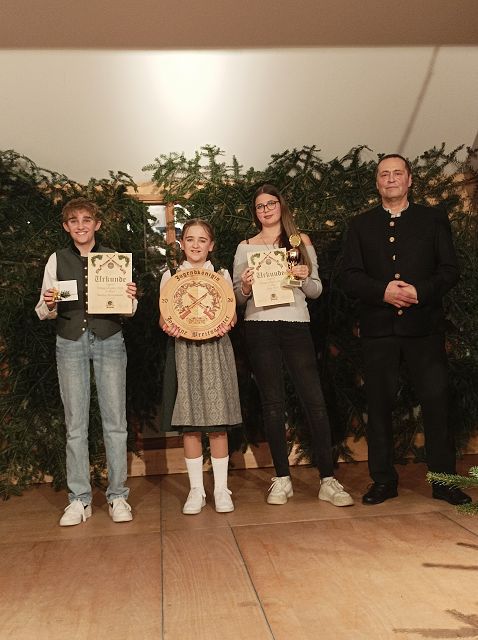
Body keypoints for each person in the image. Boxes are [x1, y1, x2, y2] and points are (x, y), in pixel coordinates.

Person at [341, 153, 471, 505]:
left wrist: (420, 291)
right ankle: (383, 481)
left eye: (398, 173)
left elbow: (449, 270)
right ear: (377, 182)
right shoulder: (360, 225)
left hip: (424, 328)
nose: (391, 179)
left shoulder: (433, 219)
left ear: (410, 180)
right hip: (378, 331)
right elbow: (349, 276)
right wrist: (382, 291)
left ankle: (444, 482)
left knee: (436, 404)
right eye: (384, 174)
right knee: (379, 407)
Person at [233, 184, 354, 507]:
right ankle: (282, 478)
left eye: (270, 203)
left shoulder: (300, 242)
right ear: (255, 213)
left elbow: (316, 290)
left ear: (281, 206)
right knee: (272, 403)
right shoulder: (246, 247)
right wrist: (245, 286)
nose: (266, 210)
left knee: (314, 401)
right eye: (260, 206)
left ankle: (327, 479)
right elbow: (236, 298)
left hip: (295, 324)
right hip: (259, 325)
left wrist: (303, 276)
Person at [36, 198, 137, 525]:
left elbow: (128, 310)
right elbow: (44, 310)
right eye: (74, 220)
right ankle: (79, 500)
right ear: (66, 226)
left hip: (109, 338)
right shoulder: (57, 259)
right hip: (70, 341)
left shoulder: (114, 259)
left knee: (115, 421)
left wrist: (130, 298)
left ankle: (118, 495)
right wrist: (50, 303)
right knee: (76, 424)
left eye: (86, 219)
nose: (81, 225)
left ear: (97, 224)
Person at [159, 219, 242, 515]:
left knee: (218, 425)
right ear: (181, 243)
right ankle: (196, 490)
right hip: (183, 351)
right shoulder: (170, 275)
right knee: (190, 425)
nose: (196, 245)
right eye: (190, 239)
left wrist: (227, 323)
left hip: (215, 350)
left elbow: (230, 315)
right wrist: (168, 325)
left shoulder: (221, 274)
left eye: (202, 240)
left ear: (211, 245)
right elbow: (164, 316)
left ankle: (221, 489)